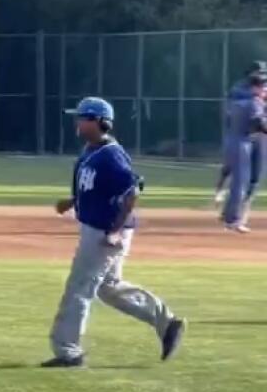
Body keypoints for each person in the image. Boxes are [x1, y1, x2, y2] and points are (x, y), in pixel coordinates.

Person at [41, 97, 186, 367]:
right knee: (108, 288)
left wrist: (115, 232)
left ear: (99, 122)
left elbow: (131, 192)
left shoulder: (111, 155)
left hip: (103, 233)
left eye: (82, 118)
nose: (78, 122)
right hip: (97, 229)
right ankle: (167, 322)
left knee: (79, 288)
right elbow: (98, 189)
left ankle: (68, 351)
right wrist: (73, 201)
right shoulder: (91, 150)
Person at [220, 73, 267, 233]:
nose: (264, 89)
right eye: (262, 86)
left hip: (236, 140)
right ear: (255, 87)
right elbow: (259, 123)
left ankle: (229, 215)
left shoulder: (240, 101)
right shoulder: (254, 102)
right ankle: (233, 220)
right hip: (243, 142)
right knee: (241, 183)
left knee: (240, 182)